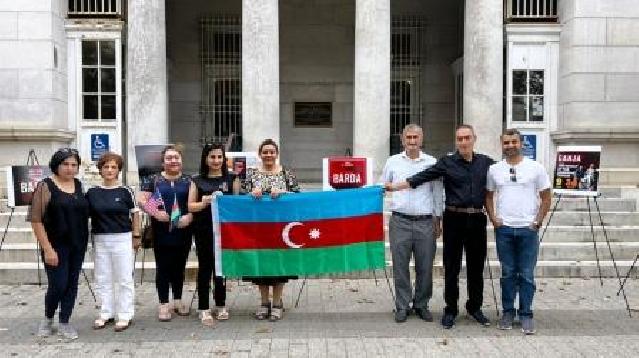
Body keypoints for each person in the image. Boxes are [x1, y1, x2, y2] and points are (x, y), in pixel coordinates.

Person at [385, 124, 495, 329]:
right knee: (450, 268)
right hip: (451, 218)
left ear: (474, 139)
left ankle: (474, 307)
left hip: (475, 219)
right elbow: (418, 179)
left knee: (475, 268)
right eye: (459, 139)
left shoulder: (486, 163)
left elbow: (502, 179)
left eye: (466, 138)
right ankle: (449, 310)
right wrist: (391, 187)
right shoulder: (445, 163)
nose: (463, 142)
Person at [485, 128, 551, 335]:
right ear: (502, 145)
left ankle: (526, 314)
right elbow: (488, 195)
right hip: (504, 229)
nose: (510, 145)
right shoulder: (495, 169)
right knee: (507, 274)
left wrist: (537, 222)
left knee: (527, 275)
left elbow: (546, 196)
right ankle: (507, 312)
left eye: (514, 141)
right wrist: (494, 219)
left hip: (527, 229)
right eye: (506, 142)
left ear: (521, 143)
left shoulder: (536, 168)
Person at [381, 124, 443, 323]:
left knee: (425, 267)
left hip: (425, 222)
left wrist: (438, 218)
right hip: (400, 221)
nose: (412, 141)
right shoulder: (393, 162)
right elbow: (383, 187)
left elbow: (437, 193)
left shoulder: (432, 163)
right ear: (402, 139)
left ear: (421, 139)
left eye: (416, 137)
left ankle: (421, 304)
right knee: (400, 267)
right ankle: (402, 305)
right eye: (409, 137)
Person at [29, 148, 89, 340]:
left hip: (77, 245)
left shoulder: (80, 185)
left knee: (72, 284)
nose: (70, 168)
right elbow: (36, 219)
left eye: (74, 165)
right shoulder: (45, 186)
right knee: (58, 285)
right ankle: (47, 318)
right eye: (65, 164)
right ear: (56, 165)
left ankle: (64, 321)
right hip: (55, 246)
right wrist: (47, 249)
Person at [242, 138, 300, 321]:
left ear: (277, 154)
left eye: (271, 152)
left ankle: (277, 303)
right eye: (265, 152)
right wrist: (251, 194)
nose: (268, 155)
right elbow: (240, 197)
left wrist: (283, 193)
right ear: (260, 154)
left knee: (279, 265)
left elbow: (298, 196)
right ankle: (264, 302)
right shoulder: (250, 174)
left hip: (281, 228)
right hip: (257, 227)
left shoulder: (286, 173)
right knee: (261, 265)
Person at [86, 152, 141, 332]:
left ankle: (125, 315)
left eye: (113, 167)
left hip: (122, 238)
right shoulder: (92, 192)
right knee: (103, 278)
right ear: (100, 170)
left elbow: (135, 213)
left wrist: (136, 235)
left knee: (124, 278)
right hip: (100, 239)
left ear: (118, 170)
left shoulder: (125, 191)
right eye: (106, 167)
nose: (110, 170)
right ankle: (106, 312)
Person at [138, 144, 194, 321]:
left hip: (183, 230)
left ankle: (177, 300)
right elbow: (142, 200)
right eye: (169, 158)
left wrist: (190, 217)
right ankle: (163, 303)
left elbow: (195, 204)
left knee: (179, 267)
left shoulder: (189, 180)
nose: (173, 160)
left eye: (176, 157)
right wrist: (155, 212)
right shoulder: (153, 180)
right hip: (161, 231)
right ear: (163, 162)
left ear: (181, 160)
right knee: (163, 268)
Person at [188, 143, 240, 326]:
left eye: (219, 157)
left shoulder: (232, 178)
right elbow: (190, 206)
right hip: (203, 230)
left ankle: (221, 304)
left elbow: (237, 205)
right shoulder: (196, 180)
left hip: (224, 231)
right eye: (212, 157)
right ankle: (203, 307)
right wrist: (204, 202)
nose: (216, 160)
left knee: (221, 269)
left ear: (224, 159)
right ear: (205, 159)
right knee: (205, 268)